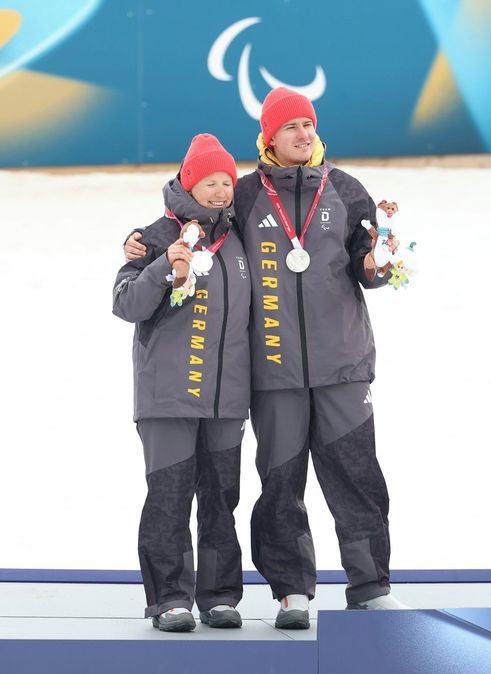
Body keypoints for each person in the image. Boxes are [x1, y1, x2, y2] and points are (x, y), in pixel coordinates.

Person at [125, 87, 405, 628]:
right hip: (271, 372)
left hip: (343, 366)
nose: (304, 135)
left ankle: (370, 584)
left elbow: (368, 267)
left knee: (357, 476)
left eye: (309, 125)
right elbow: (187, 223)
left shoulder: (346, 190)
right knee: (280, 484)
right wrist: (142, 242)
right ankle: (291, 590)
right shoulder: (245, 197)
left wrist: (380, 264)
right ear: (269, 137)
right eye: (291, 127)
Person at [113, 134, 250, 632]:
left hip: (226, 398)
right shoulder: (152, 235)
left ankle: (219, 596)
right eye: (209, 182)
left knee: (221, 500)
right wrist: (159, 266)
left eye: (226, 183)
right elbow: (125, 303)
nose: (219, 192)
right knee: (168, 499)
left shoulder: (241, 239)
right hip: (167, 397)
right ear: (190, 184)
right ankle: (169, 597)